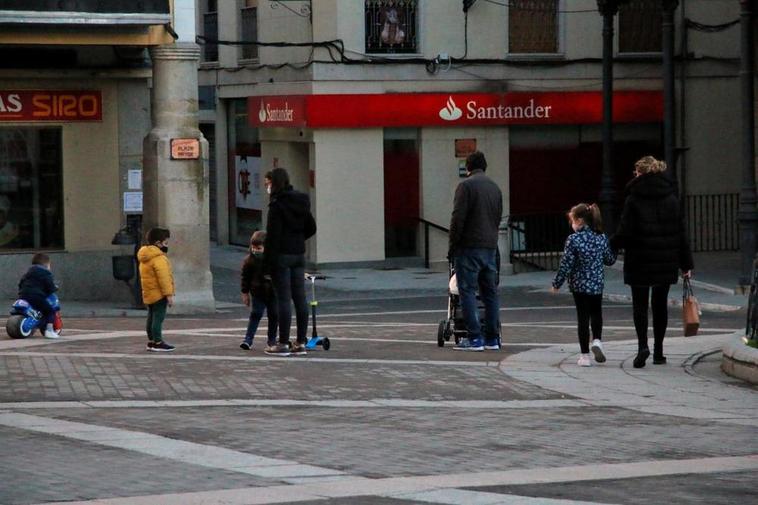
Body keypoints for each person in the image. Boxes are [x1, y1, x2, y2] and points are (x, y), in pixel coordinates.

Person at [611, 156, 694, 368]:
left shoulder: (634, 199)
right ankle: (659, 351)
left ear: (642, 173)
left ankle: (642, 347)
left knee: (640, 306)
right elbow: (680, 232)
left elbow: (624, 231)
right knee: (660, 306)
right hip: (665, 259)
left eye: (636, 173)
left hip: (639, 259)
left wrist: (609, 246)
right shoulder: (671, 198)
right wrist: (686, 264)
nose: (634, 176)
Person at [449, 151, 503, 352]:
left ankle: (474, 338)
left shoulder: (465, 186)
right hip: (489, 246)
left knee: (467, 291)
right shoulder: (495, 188)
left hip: (469, 246)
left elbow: (458, 218)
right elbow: (497, 217)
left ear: (468, 167)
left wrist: (453, 245)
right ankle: (492, 337)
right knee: (490, 293)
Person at [551, 203, 616, 367]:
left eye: (572, 220)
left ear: (579, 220)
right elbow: (610, 260)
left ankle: (584, 356)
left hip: (579, 285)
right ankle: (597, 341)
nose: (571, 224)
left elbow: (566, 264)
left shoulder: (573, 240)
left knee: (582, 317)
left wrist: (557, 283)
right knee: (596, 313)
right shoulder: (600, 237)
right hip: (597, 283)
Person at [264, 167, 316, 356]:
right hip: (298, 254)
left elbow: (272, 238)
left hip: (281, 256)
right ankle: (301, 341)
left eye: (268, 183)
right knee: (300, 298)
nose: (266, 187)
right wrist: (298, 239)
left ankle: (283, 342)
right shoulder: (302, 201)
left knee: (283, 299)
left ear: (274, 183)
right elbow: (311, 226)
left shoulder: (277, 205)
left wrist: (267, 265)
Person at [137, 227, 176, 352]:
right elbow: (164, 278)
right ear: (158, 243)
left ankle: (152, 340)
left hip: (149, 292)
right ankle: (158, 341)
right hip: (159, 293)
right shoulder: (159, 258)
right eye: (165, 243)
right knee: (158, 318)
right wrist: (168, 295)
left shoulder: (145, 257)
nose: (166, 245)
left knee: (151, 317)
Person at [240, 230, 278, 351]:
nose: (255, 250)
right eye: (253, 247)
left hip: (273, 293)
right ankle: (248, 339)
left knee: (274, 315)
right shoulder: (249, 261)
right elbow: (245, 278)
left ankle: (272, 340)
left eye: (259, 248)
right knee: (255, 314)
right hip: (258, 292)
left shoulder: (274, 260)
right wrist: (245, 293)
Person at [18, 252, 59, 339]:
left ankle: (33, 322)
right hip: (36, 296)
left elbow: (21, 283)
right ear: (47, 264)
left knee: (37, 307)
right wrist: (54, 288)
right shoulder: (46, 273)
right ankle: (49, 330)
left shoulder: (28, 273)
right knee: (50, 311)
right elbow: (50, 286)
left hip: (23, 295)